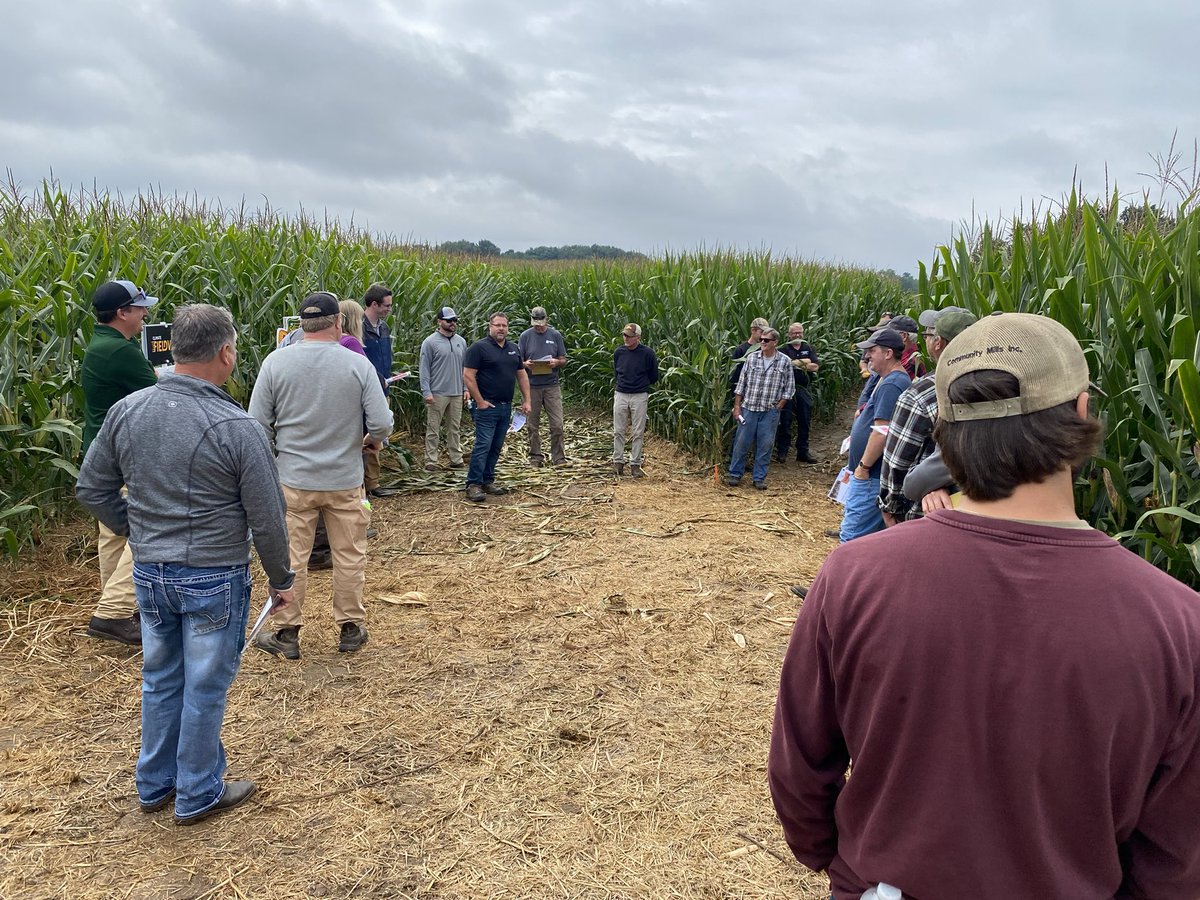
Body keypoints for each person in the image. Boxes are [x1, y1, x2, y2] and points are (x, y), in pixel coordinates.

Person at [769, 312, 1200, 898]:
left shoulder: (855, 576)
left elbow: (799, 773)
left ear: (944, 430)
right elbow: (1176, 858)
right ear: (1079, 412)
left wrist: (847, 867)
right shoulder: (1179, 622)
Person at [76, 304, 295, 825]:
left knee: (160, 678)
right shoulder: (235, 425)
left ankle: (154, 784)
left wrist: (139, 529)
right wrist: (282, 579)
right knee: (205, 685)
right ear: (225, 352)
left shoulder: (128, 410)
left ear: (173, 348)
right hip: (213, 576)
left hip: (151, 574)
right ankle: (197, 791)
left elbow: (91, 487)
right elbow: (266, 518)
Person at [249, 292, 393, 659]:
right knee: (349, 553)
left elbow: (256, 425)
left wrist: (276, 457)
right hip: (345, 479)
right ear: (338, 323)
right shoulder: (356, 364)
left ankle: (287, 633)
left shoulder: (275, 363)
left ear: (302, 324)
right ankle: (350, 627)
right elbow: (380, 421)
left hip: (294, 480)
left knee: (292, 558)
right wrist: (372, 442)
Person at [80, 279, 159, 644]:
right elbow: (157, 392)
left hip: (101, 449)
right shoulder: (121, 352)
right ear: (122, 313)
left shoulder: (101, 345)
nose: (145, 314)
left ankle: (116, 607)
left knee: (112, 533)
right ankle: (113, 612)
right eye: (139, 308)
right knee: (142, 528)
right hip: (125, 452)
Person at [878, 307, 976, 524]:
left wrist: (889, 507)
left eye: (929, 335)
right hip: (987, 512)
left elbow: (896, 465)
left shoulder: (920, 395)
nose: (926, 340)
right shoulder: (1003, 388)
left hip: (926, 515)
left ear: (938, 342)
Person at [839, 329, 909, 542]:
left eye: (872, 351)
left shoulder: (891, 384)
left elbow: (882, 431)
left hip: (871, 477)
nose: (867, 356)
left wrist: (863, 467)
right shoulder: (891, 380)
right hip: (875, 476)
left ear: (888, 353)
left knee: (852, 538)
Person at [462, 312, 531, 502]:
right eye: (497, 325)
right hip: (486, 407)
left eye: (504, 326)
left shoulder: (513, 348)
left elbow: (522, 375)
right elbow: (468, 375)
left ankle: (487, 480)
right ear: (490, 326)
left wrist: (527, 400)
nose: (501, 329)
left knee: (496, 445)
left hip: (505, 406)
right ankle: (473, 484)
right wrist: (480, 400)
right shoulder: (479, 348)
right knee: (483, 445)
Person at [727, 328, 794, 489]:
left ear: (775, 342)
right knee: (741, 443)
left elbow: (789, 388)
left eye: (766, 340)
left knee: (765, 445)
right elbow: (741, 385)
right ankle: (735, 474)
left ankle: (759, 478)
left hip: (769, 411)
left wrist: (780, 405)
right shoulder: (751, 358)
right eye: (761, 339)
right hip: (749, 408)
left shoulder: (784, 361)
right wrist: (737, 407)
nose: (762, 342)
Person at [517, 306, 569, 467]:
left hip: (552, 385)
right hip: (532, 386)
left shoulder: (555, 335)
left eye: (541, 322)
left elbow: (563, 359)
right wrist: (526, 364)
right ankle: (535, 457)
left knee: (557, 424)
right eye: (535, 323)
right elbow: (519, 361)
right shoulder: (525, 336)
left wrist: (556, 362)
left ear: (546, 319)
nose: (538, 326)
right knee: (532, 424)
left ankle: (559, 458)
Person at [419, 306, 468, 471]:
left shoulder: (461, 342)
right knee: (433, 428)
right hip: (437, 393)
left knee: (454, 428)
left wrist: (466, 388)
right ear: (439, 321)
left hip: (456, 392)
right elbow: (424, 368)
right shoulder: (430, 342)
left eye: (454, 320)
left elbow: (465, 368)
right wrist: (426, 391)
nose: (452, 323)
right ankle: (431, 460)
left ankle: (456, 458)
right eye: (449, 320)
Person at [360, 283, 396, 498]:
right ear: (374, 304)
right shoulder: (358, 327)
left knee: (377, 434)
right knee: (365, 433)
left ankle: (373, 482)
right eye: (387, 306)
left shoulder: (383, 327)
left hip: (383, 387)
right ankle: (363, 484)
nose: (389, 310)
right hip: (366, 388)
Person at [612, 323, 659, 478]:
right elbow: (616, 372)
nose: (626, 338)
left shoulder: (648, 354)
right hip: (621, 394)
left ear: (638, 337)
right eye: (624, 335)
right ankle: (617, 462)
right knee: (619, 430)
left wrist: (641, 386)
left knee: (638, 431)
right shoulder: (619, 352)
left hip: (639, 395)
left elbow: (654, 376)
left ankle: (635, 464)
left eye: (629, 336)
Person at [776, 322, 820, 464]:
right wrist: (804, 363)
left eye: (799, 332)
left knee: (804, 420)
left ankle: (802, 452)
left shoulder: (808, 348)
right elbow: (783, 366)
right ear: (789, 335)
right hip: (786, 390)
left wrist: (795, 362)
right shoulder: (783, 349)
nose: (797, 335)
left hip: (803, 389)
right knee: (785, 421)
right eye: (794, 333)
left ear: (803, 333)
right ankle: (782, 452)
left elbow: (815, 367)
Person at [728, 316, 769, 395]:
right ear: (753, 330)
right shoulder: (741, 350)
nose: (763, 336)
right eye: (761, 332)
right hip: (745, 393)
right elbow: (734, 375)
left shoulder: (767, 349)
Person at [886, 314, 926, 379]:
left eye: (890, 334)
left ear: (904, 336)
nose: (887, 337)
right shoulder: (904, 357)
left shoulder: (913, 361)